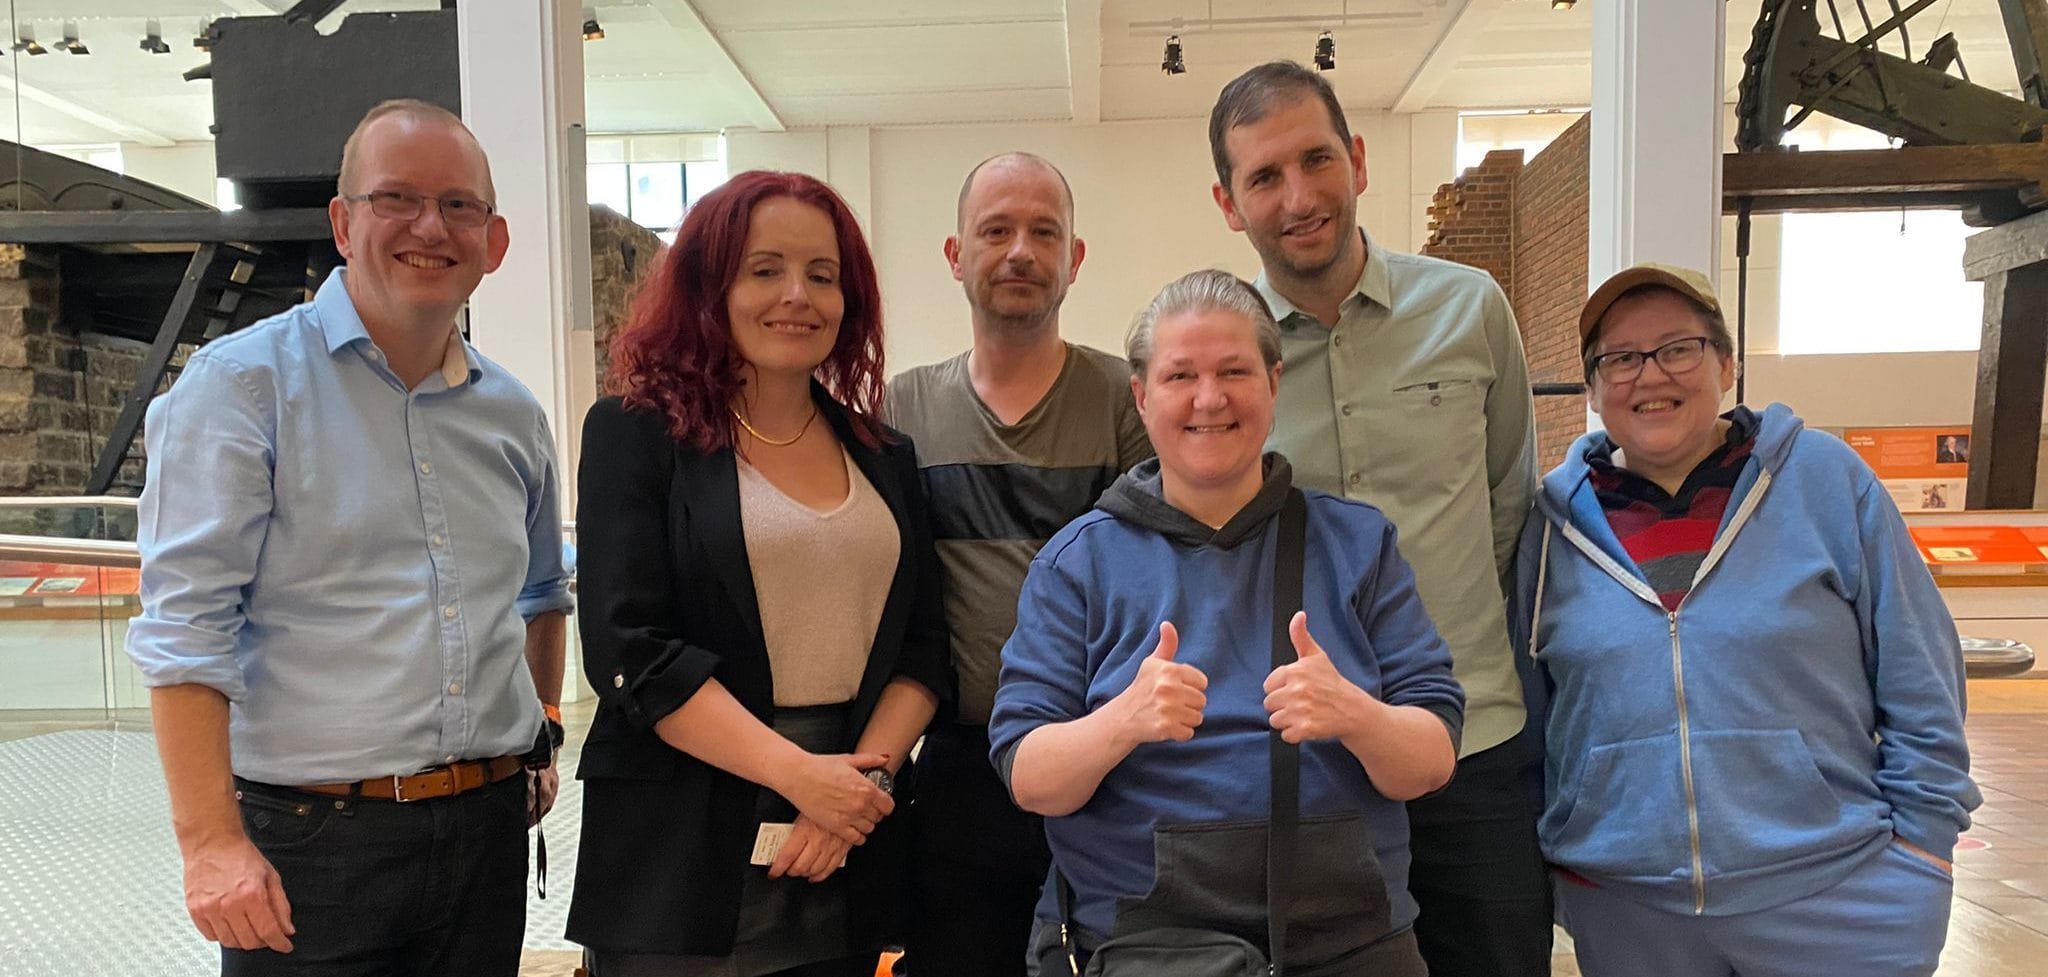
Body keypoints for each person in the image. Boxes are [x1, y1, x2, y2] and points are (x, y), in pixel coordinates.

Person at [124, 99, 573, 976]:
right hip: (313, 846)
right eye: (395, 198)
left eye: (459, 205)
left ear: (496, 239)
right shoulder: (241, 388)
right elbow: (185, 631)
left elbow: (542, 592)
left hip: (486, 837)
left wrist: (543, 729)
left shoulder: (513, 415)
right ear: (342, 221)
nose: (429, 227)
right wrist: (211, 843)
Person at [989, 269, 1463, 976]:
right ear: (1142, 396)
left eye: (1234, 371)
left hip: (1352, 940)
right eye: (1181, 375)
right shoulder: (1077, 564)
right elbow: (1030, 776)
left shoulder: (1358, 545)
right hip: (1146, 947)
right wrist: (1123, 719)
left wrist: (1354, 713)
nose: (1209, 398)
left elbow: (1431, 760)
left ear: (1274, 384)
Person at [1515, 263, 1979, 977]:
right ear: (1594, 388)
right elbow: (1534, 710)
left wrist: (1923, 849)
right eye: (1621, 359)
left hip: (1835, 896)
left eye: (1679, 348)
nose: (1650, 375)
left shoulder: (1826, 480)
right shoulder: (1550, 526)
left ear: (1726, 363)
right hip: (1631, 911)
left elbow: (1922, 671)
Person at [1204, 61, 1545, 977]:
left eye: (1317, 160)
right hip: (1317, 764)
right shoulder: (1225, 365)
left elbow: (1510, 508)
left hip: (1474, 745)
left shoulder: (1470, 308)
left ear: (1356, 159)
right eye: (1264, 177)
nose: (1300, 196)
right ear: (1229, 203)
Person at [569, 170, 950, 977]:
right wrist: (799, 777)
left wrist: (855, 793)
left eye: (822, 274)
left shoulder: (884, 455)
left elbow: (923, 646)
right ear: (711, 285)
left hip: (849, 827)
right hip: (679, 842)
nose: (797, 295)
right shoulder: (636, 434)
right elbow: (628, 648)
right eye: (764, 268)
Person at [885, 152, 1151, 977]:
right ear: (955, 255)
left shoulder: (1126, 402)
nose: (1020, 251)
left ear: (1074, 258)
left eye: (1044, 231)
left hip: (1109, 766)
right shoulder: (903, 411)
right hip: (960, 771)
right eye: (995, 230)